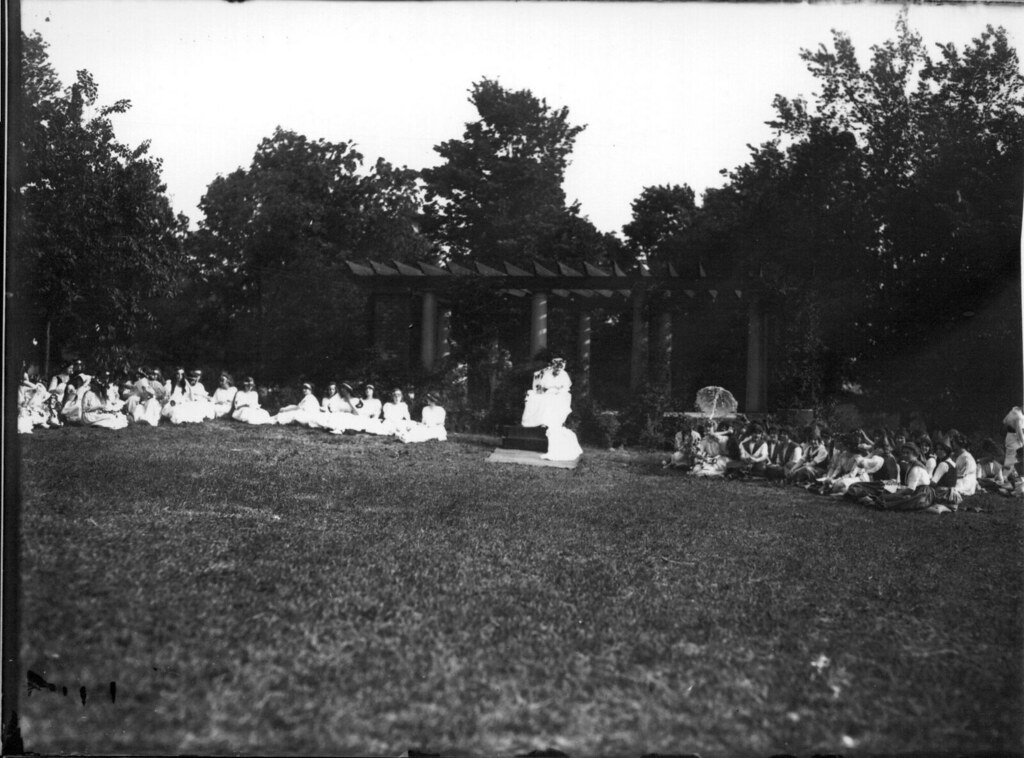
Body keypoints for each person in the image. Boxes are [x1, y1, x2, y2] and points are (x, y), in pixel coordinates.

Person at [521, 357, 573, 429]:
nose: (557, 369)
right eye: (556, 367)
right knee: (534, 396)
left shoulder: (564, 375)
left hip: (559, 394)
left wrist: (557, 391)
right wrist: (543, 389)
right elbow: (540, 383)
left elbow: (565, 388)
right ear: (553, 367)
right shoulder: (547, 373)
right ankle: (540, 421)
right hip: (547, 393)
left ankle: (549, 422)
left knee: (551, 400)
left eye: (559, 368)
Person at [950, 432, 978, 497]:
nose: (952, 444)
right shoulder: (960, 455)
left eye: (953, 442)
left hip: (966, 481)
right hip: (963, 478)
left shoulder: (966, 457)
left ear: (958, 443)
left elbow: (963, 474)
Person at [1003, 405, 1023, 477]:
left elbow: (1004, 421)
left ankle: (1006, 476)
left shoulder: (1013, 411)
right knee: (1014, 458)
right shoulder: (1019, 416)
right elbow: (1019, 431)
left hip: (1009, 436)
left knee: (1010, 457)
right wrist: (1023, 442)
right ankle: (1006, 476)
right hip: (1015, 438)